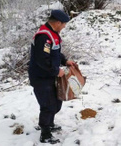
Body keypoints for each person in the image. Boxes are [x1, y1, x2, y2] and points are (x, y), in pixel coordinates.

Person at [28, 9, 75, 144]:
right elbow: (42, 60)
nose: (65, 26)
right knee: (48, 105)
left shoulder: (53, 34)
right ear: (58, 22)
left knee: (56, 102)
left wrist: (65, 61)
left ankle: (50, 123)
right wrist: (56, 71)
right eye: (64, 24)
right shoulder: (44, 36)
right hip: (41, 77)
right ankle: (45, 133)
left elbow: (55, 53)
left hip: (49, 75)